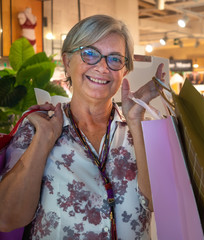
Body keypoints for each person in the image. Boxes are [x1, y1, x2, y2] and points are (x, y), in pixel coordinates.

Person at [0, 14, 166, 239]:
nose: (102, 67)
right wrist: (43, 140)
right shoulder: (38, 128)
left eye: (115, 59)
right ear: (67, 62)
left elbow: (161, 206)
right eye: (89, 54)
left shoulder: (144, 130)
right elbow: (7, 218)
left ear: (125, 70)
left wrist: (135, 121)